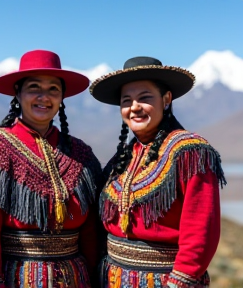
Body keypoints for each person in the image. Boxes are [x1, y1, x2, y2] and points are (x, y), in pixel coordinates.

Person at [0, 50, 102, 288]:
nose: (44, 97)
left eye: (53, 89)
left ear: (62, 97)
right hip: (11, 277)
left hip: (74, 279)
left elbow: (89, 233)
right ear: (18, 93)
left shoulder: (82, 154)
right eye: (34, 87)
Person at [89, 56, 226, 288]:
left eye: (144, 98)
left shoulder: (190, 153)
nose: (134, 107)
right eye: (126, 100)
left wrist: (179, 281)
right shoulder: (123, 158)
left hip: (163, 280)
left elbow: (201, 230)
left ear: (166, 100)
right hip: (111, 278)